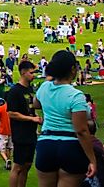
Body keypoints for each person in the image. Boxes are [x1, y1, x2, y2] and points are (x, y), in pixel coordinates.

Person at [34, 50, 97, 185]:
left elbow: (35, 103)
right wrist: (92, 159)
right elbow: (81, 130)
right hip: (70, 146)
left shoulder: (45, 87)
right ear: (73, 69)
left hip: (46, 144)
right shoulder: (76, 96)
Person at [6, 60, 42, 187]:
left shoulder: (29, 89)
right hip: (20, 133)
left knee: (27, 165)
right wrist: (31, 119)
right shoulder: (15, 91)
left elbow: (30, 108)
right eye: (31, 72)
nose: (34, 75)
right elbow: (11, 113)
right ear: (23, 72)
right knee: (18, 166)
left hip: (31, 132)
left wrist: (35, 117)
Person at [0, 100, 13, 170]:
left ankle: (6, 160)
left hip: (3, 131)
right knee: (9, 147)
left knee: (0, 148)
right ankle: (9, 163)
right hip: (12, 130)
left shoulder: (1, 108)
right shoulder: (14, 107)